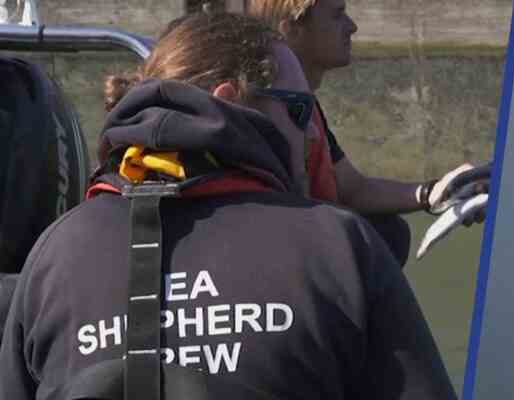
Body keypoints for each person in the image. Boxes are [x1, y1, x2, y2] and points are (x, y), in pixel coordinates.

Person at [0, 12, 456, 399]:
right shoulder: (337, 247)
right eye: (300, 111)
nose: (314, 133)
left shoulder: (53, 257)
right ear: (228, 99)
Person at [245, 0, 488, 263]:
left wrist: (433, 193)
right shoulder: (263, 111)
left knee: (388, 233)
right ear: (292, 30)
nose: (353, 27)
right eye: (338, 16)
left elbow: (352, 189)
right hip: (277, 264)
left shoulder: (308, 107)